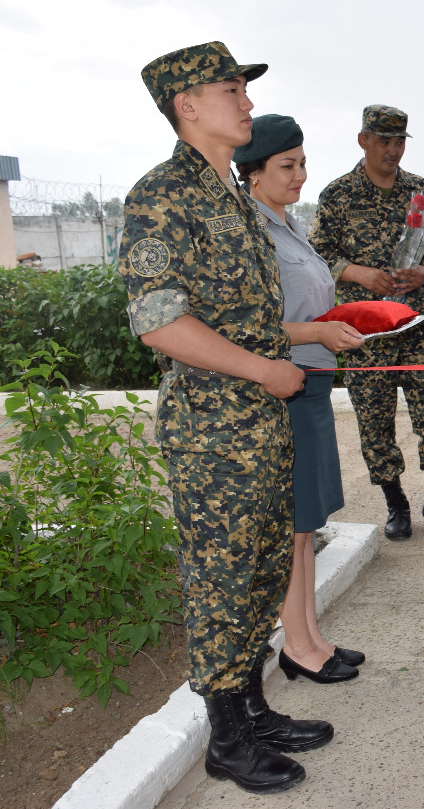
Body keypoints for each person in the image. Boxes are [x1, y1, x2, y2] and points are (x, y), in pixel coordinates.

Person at [120, 42, 332, 794]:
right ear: (187, 105)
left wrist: (286, 353)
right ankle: (228, 741)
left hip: (259, 425)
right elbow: (158, 323)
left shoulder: (235, 198)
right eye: (230, 89)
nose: (246, 101)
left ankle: (251, 706)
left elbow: (255, 316)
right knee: (221, 583)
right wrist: (262, 368)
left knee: (261, 571)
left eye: (244, 88)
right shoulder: (161, 196)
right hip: (214, 431)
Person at [234, 115, 366, 685]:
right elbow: (248, 326)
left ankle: (309, 635)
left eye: (303, 162)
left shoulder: (287, 226)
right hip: (282, 388)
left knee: (307, 522)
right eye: (286, 166)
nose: (299, 175)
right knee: (292, 523)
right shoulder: (252, 231)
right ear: (253, 174)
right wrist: (317, 333)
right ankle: (297, 645)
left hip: (309, 386)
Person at [310, 105, 424, 541]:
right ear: (363, 140)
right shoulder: (337, 195)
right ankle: (396, 504)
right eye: (384, 140)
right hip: (365, 329)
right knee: (374, 417)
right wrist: (358, 273)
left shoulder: (422, 192)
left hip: (417, 322)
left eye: (400, 141)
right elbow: (317, 252)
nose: (393, 150)